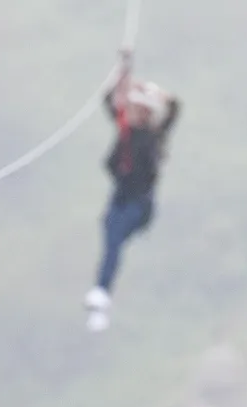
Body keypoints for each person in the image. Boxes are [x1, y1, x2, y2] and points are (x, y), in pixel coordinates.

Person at [85, 62, 181, 333]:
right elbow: (109, 101)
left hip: (140, 204)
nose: (137, 112)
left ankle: (102, 296)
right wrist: (121, 79)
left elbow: (174, 110)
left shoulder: (153, 136)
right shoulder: (125, 129)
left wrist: (155, 93)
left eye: (142, 109)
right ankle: (100, 297)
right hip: (120, 198)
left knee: (114, 237)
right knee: (110, 242)